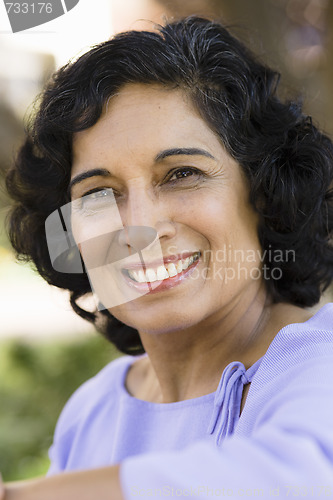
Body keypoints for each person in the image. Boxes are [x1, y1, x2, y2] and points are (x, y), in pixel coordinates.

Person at [2, 16, 333, 500]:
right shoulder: (94, 410)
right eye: (98, 193)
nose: (141, 226)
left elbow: (301, 477)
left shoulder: (318, 366)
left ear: (264, 191)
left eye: (181, 174)